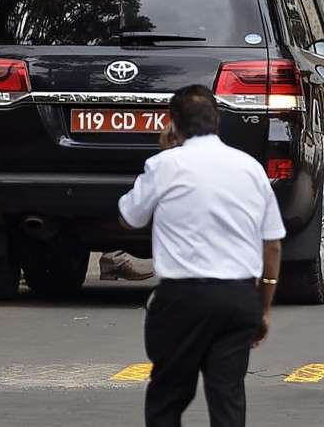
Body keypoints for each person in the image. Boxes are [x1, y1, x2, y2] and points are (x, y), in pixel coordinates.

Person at [118, 85, 285, 427]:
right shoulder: (250, 168)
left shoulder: (163, 165)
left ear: (171, 123)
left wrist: (164, 154)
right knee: (228, 397)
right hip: (238, 298)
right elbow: (272, 244)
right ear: (218, 120)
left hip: (182, 298)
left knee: (168, 396)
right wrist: (262, 307)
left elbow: (129, 217)